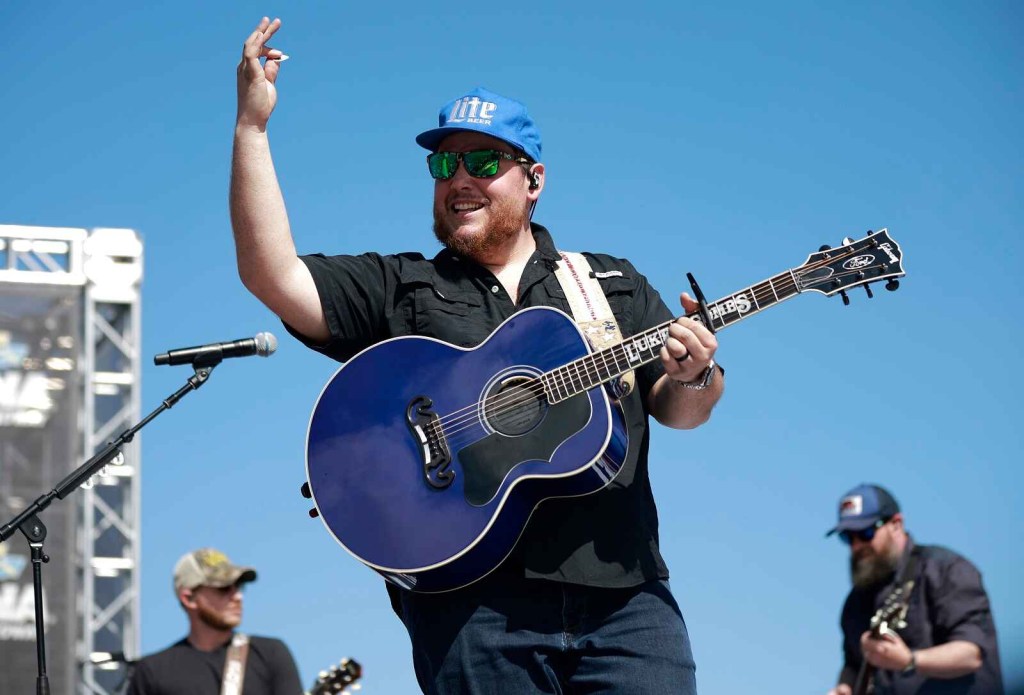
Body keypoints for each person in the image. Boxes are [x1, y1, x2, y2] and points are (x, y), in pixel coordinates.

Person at [231, 16, 724, 694]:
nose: (459, 178)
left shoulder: (608, 283)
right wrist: (252, 129)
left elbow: (679, 408)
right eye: (444, 164)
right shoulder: (403, 284)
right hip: (474, 608)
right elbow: (272, 275)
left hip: (627, 598)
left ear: (534, 180)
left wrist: (695, 374)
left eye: (484, 163)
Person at [824, 484, 1003, 695]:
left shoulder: (945, 570)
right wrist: (844, 688)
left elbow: (971, 654)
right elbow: (853, 664)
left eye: (866, 533)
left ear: (896, 524)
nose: (857, 545)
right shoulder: (856, 601)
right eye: (848, 537)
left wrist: (909, 660)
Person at [127, 547, 303, 695]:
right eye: (223, 588)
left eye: (238, 587)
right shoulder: (153, 671)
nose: (237, 596)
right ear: (189, 598)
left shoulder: (270, 654)